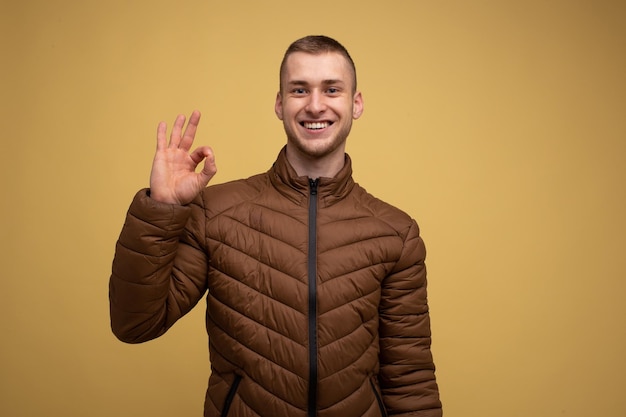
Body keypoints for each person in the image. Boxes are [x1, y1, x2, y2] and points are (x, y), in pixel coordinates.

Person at [110, 35, 442, 417]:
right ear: (280, 104)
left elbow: (410, 378)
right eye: (299, 90)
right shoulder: (216, 213)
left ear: (356, 103)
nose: (315, 105)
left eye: (331, 89)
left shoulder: (395, 233)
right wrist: (161, 208)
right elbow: (135, 324)